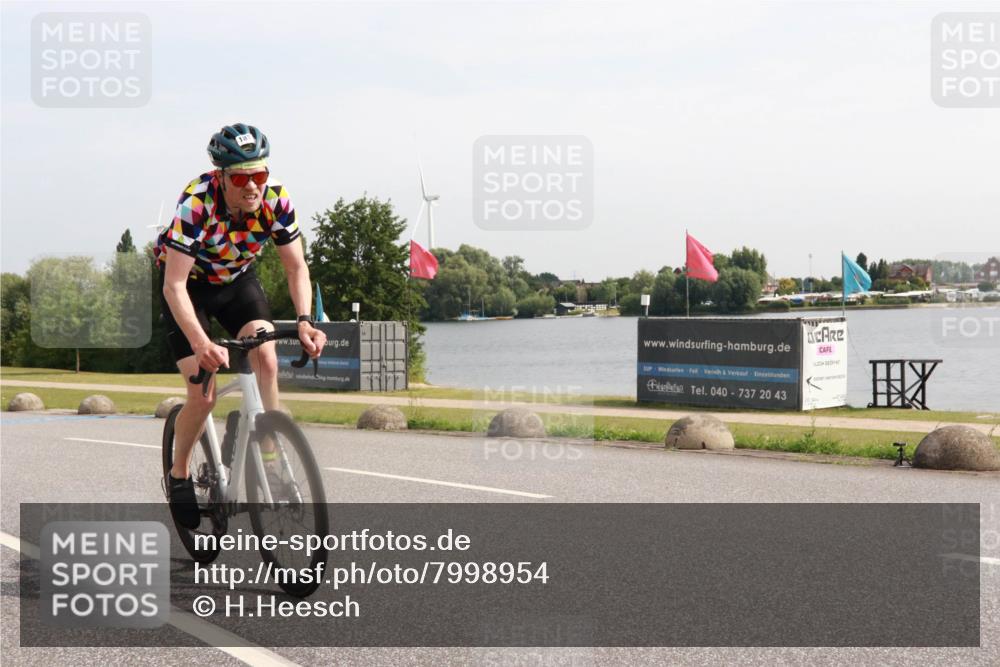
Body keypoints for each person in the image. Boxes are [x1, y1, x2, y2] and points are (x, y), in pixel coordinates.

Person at [155, 123, 326, 528]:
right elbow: (174, 285)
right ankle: (179, 475)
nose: (252, 186)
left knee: (265, 357)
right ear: (222, 177)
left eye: (259, 175)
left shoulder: (276, 200)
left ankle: (269, 451)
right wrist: (201, 343)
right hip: (188, 287)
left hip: (236, 281)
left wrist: (304, 320)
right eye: (241, 178)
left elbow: (296, 266)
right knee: (204, 395)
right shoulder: (198, 202)